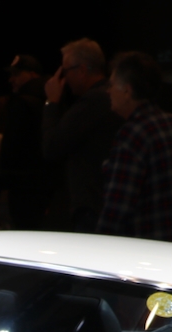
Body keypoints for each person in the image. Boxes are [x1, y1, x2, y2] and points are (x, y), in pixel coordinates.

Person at [96, 52, 172, 246]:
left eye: (111, 85)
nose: (108, 91)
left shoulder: (132, 135)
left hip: (144, 255)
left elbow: (116, 209)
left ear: (127, 91)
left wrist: (98, 247)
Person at [41, 38, 117, 232]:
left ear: (82, 70)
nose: (63, 79)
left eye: (65, 71)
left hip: (92, 205)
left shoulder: (92, 101)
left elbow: (51, 147)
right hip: (105, 199)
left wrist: (51, 103)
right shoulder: (110, 94)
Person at [0, 55, 49, 229]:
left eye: (17, 74)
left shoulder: (21, 103)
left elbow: (10, 150)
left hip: (21, 188)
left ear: (33, 74)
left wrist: (0, 185)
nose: (11, 79)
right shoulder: (55, 99)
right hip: (49, 189)